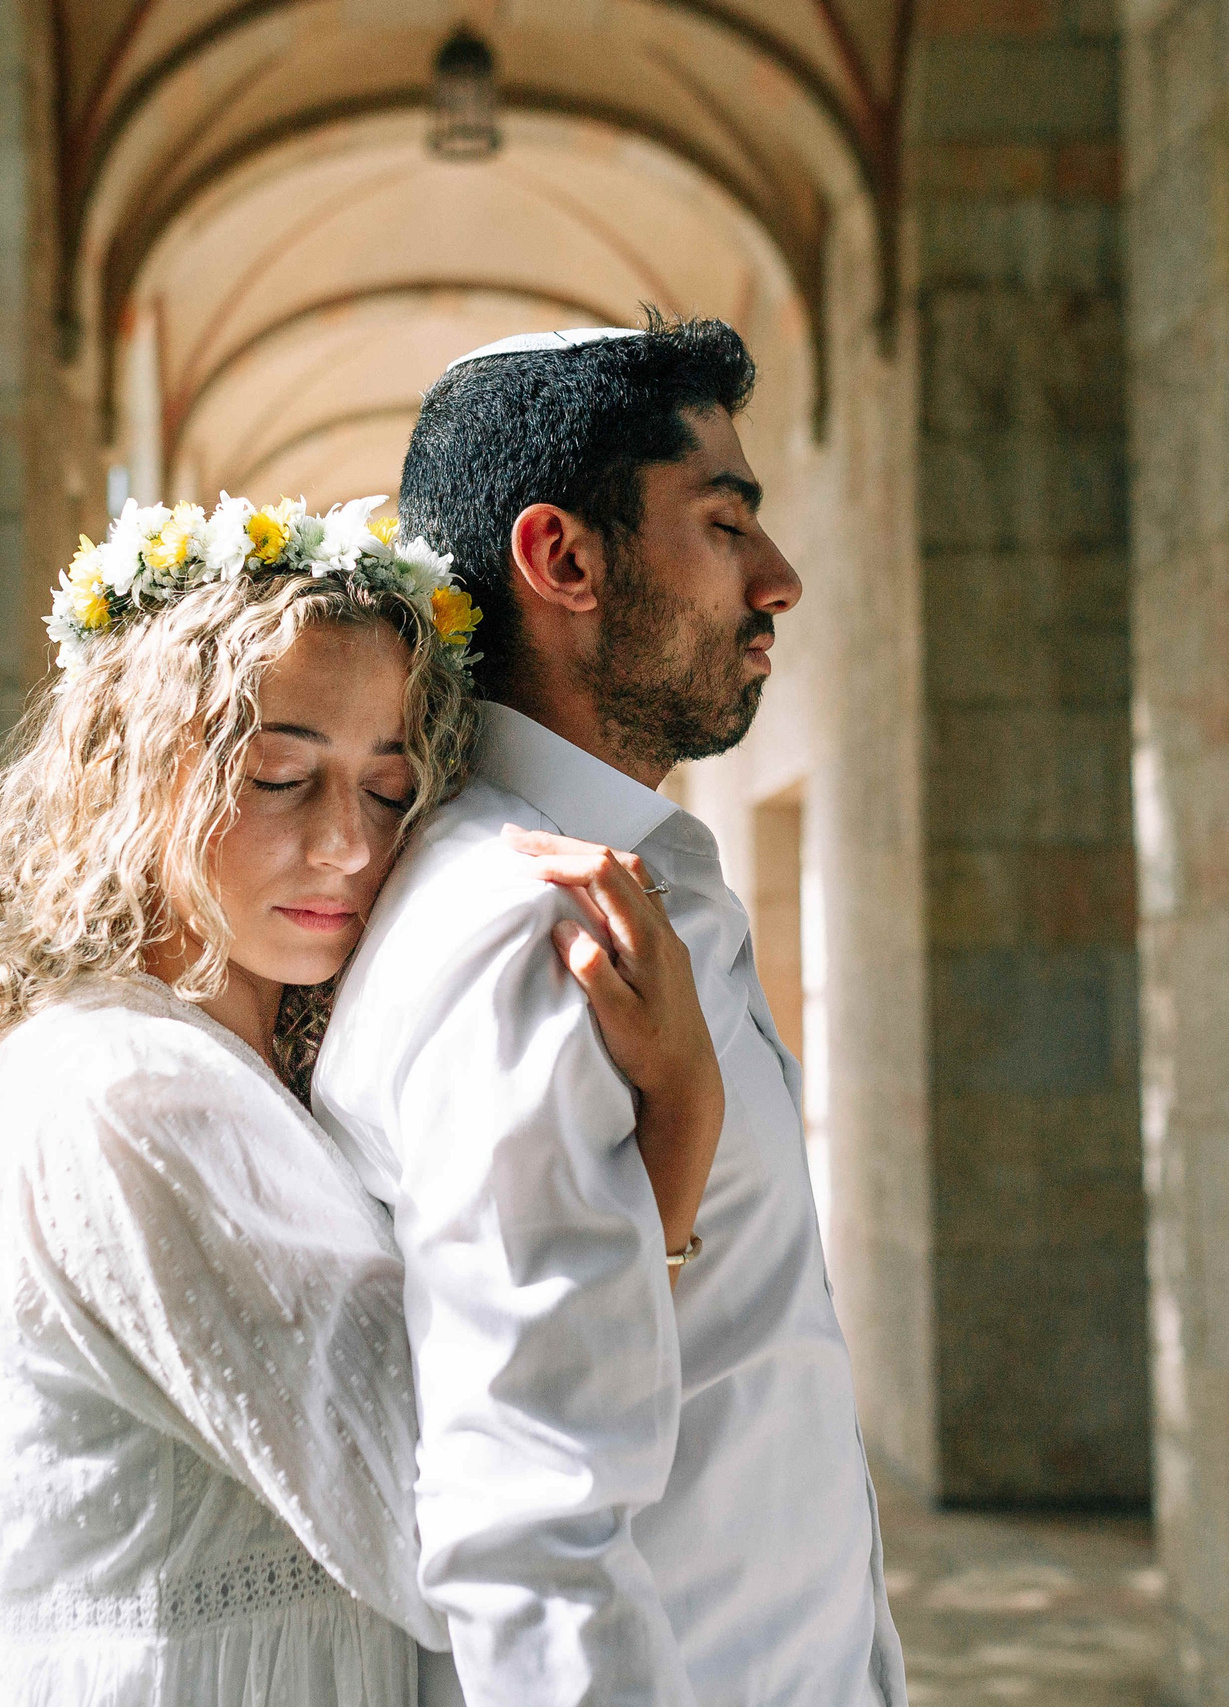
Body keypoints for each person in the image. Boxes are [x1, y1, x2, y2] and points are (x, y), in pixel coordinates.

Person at [0, 493, 727, 1707]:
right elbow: (448, 1514)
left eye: (390, 790)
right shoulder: (129, 1092)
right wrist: (680, 1117)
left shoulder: (234, 1071)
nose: (350, 844)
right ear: (130, 778)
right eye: (281, 777)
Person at [313, 318, 908, 1706]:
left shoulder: (629, 888)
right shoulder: (529, 925)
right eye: (725, 521)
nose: (779, 579)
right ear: (563, 559)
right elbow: (529, 1515)